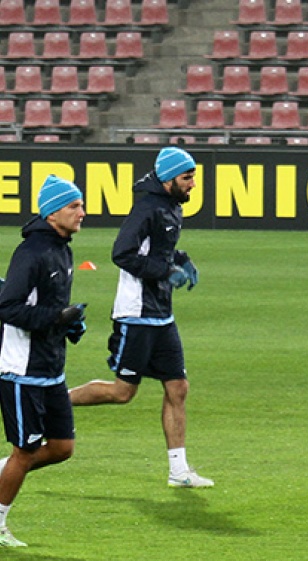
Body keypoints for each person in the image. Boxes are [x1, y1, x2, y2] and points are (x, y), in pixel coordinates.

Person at [70, 146, 214, 489]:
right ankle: (52, 400)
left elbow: (159, 248)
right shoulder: (147, 208)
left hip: (161, 314)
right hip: (136, 313)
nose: (193, 184)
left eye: (193, 176)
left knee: (177, 387)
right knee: (123, 392)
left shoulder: (170, 207)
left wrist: (182, 259)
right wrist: (166, 272)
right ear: (167, 180)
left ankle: (178, 471)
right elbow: (122, 253)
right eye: (187, 177)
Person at [0, 174, 86, 547]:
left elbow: (49, 307)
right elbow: (8, 308)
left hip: (51, 368)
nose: (82, 212)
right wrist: (56, 319)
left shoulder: (62, 248)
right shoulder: (32, 253)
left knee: (62, 448)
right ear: (52, 214)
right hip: (22, 370)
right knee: (26, 451)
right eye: (74, 206)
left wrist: (69, 325)